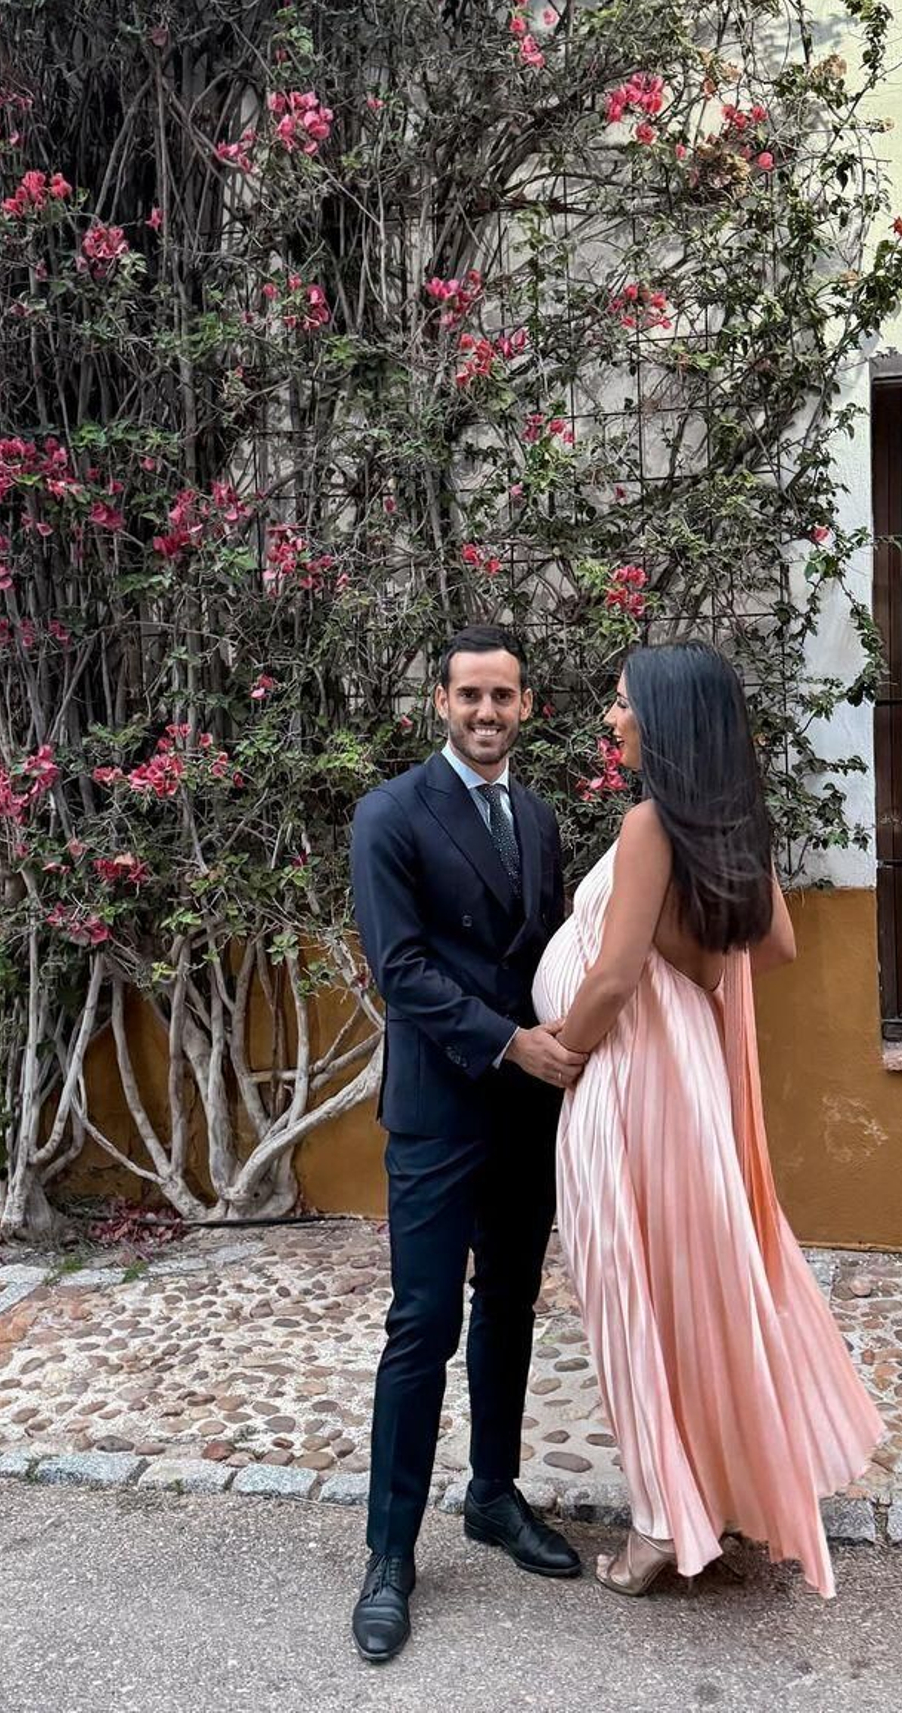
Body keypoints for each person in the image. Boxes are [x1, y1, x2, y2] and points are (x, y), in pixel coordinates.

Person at [534, 641, 885, 1600]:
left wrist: (562, 1045)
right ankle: (706, 1487)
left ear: (666, 718)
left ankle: (663, 1524)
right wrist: (688, 980)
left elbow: (609, 973)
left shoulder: (652, 823)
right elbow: (775, 943)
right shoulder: (726, 823)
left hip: (630, 1077)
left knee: (631, 1292)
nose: (611, 721)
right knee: (692, 1278)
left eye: (620, 703)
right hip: (680, 1073)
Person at [349, 625, 589, 1664]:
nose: (487, 713)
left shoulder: (538, 819)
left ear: (526, 705)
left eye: (504, 696)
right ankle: (390, 1554)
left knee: (508, 1311)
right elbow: (399, 968)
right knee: (422, 1321)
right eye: (470, 696)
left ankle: (492, 1493)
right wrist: (509, 1045)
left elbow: (549, 954)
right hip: (440, 1109)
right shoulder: (389, 814)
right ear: (438, 702)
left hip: (525, 1116)